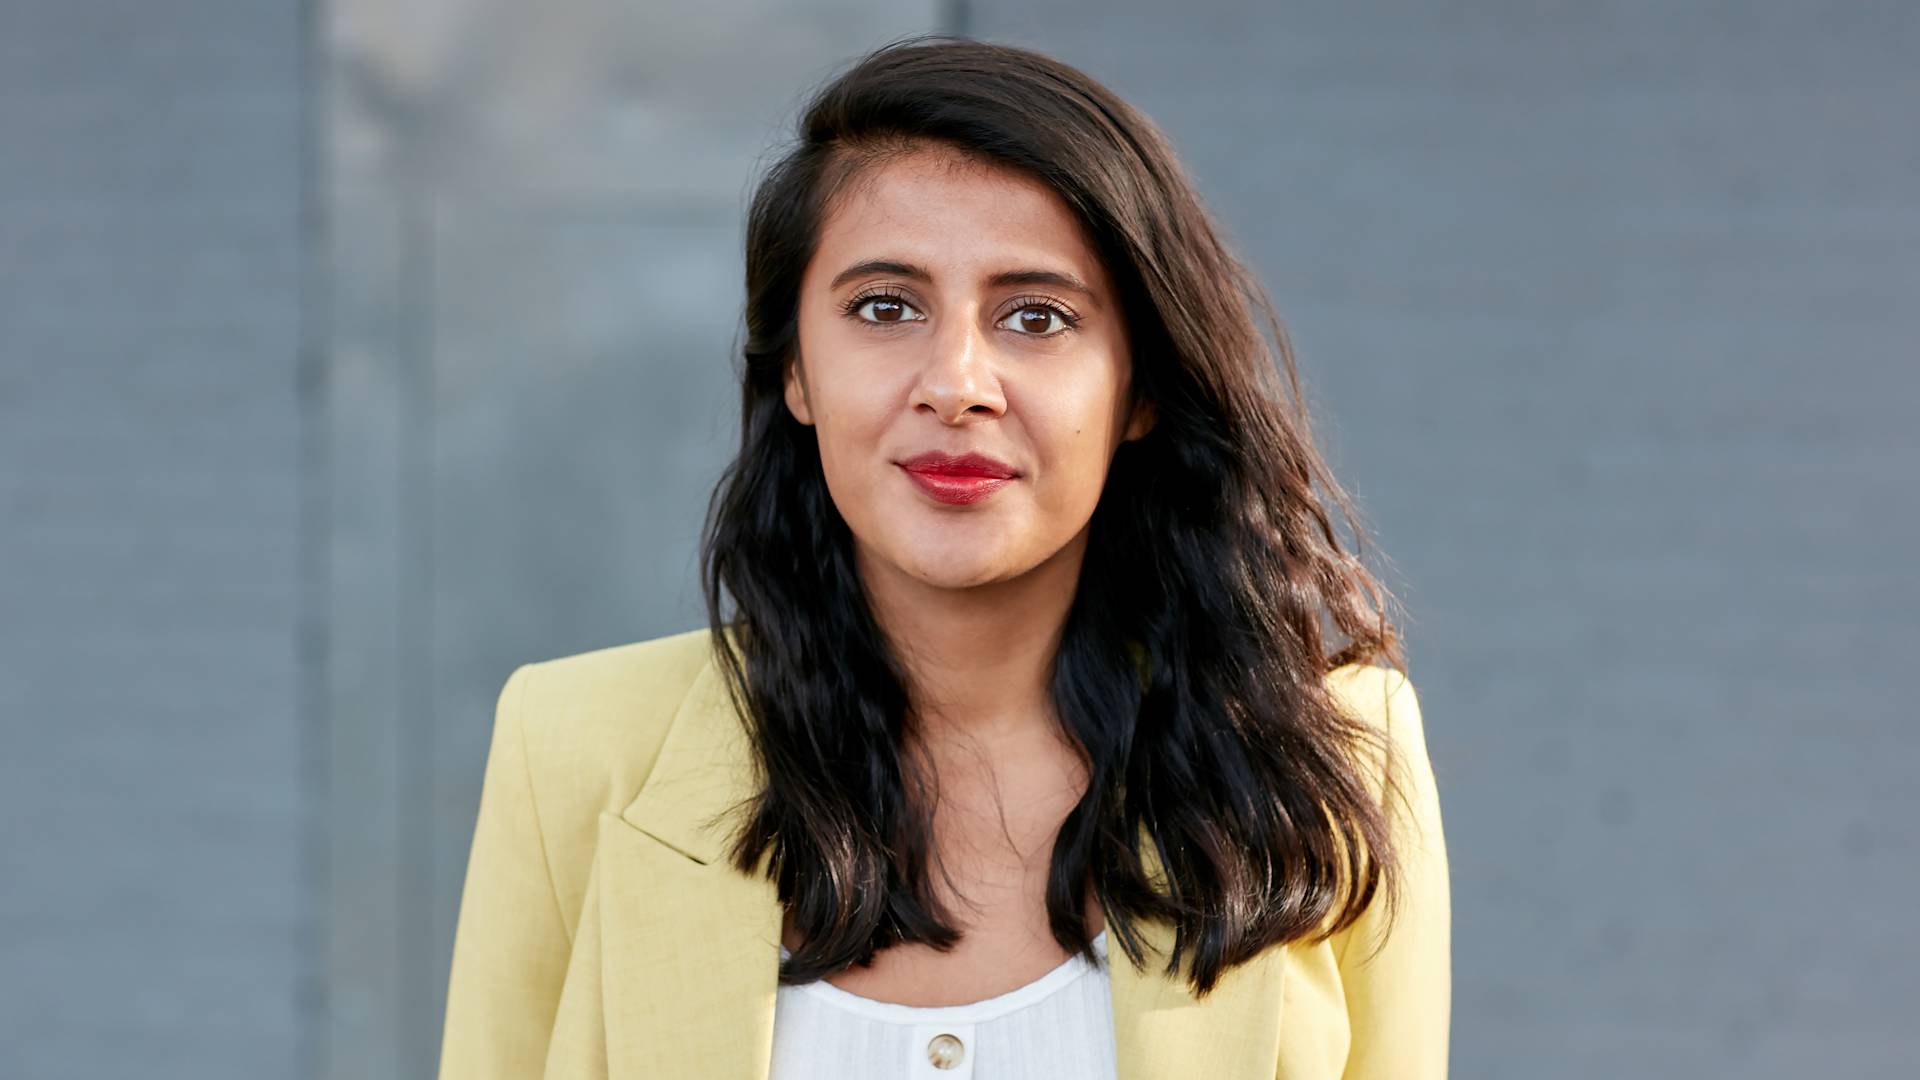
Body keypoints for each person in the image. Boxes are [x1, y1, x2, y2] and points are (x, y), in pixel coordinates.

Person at [438, 34, 1449, 1080]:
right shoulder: (575, 749)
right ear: (795, 369)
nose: (956, 383)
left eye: (1036, 317)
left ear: (1141, 389)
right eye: (885, 307)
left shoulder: (1334, 755)